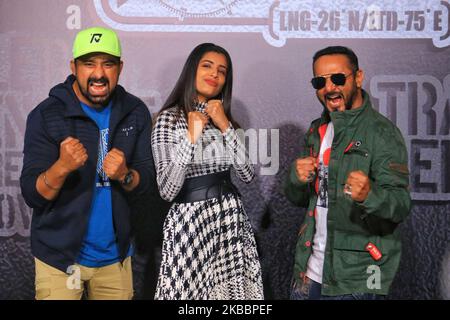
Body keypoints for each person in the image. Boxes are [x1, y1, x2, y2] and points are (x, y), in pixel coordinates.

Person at [20, 27, 155, 300]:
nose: (99, 74)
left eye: (108, 64)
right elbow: (32, 194)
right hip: (60, 259)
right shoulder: (47, 114)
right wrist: (61, 167)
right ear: (73, 66)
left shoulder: (134, 112)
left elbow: (148, 183)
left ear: (120, 67)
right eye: (88, 63)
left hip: (114, 258)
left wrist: (125, 174)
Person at [284, 46, 411, 300]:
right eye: (320, 81)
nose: (330, 88)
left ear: (359, 77)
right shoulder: (316, 130)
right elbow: (300, 199)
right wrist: (296, 180)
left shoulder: (382, 133)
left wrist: (369, 195)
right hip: (308, 272)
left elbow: (401, 205)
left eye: (338, 78)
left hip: (355, 278)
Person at [151, 43, 263, 300]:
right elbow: (167, 190)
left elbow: (247, 175)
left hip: (229, 220)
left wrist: (225, 125)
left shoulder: (226, 121)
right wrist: (191, 137)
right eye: (207, 66)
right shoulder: (168, 119)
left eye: (222, 71)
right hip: (190, 223)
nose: (215, 74)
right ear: (192, 70)